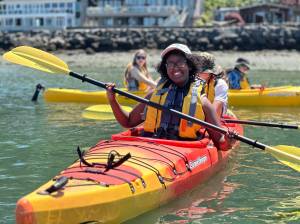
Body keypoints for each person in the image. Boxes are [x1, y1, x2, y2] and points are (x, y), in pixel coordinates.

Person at [106, 43, 231, 150]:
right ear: (165, 68)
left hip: (182, 151)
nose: (175, 68)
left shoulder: (202, 101)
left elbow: (221, 145)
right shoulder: (154, 95)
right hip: (150, 147)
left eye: (180, 63)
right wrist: (112, 100)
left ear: (189, 65)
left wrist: (228, 139)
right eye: (170, 64)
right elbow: (127, 122)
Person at [190, 52, 228, 117]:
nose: (198, 74)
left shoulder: (220, 84)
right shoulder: (189, 81)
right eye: (197, 71)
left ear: (211, 72)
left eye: (204, 72)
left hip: (213, 118)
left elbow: (215, 112)